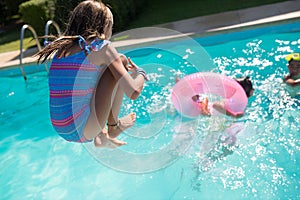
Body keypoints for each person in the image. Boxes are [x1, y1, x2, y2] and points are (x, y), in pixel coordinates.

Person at [35, 0, 148, 148]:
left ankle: (102, 135)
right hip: (82, 129)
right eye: (111, 27)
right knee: (120, 60)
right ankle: (113, 127)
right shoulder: (102, 47)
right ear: (104, 26)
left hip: (60, 127)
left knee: (91, 77)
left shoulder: (60, 51)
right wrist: (141, 73)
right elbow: (133, 91)